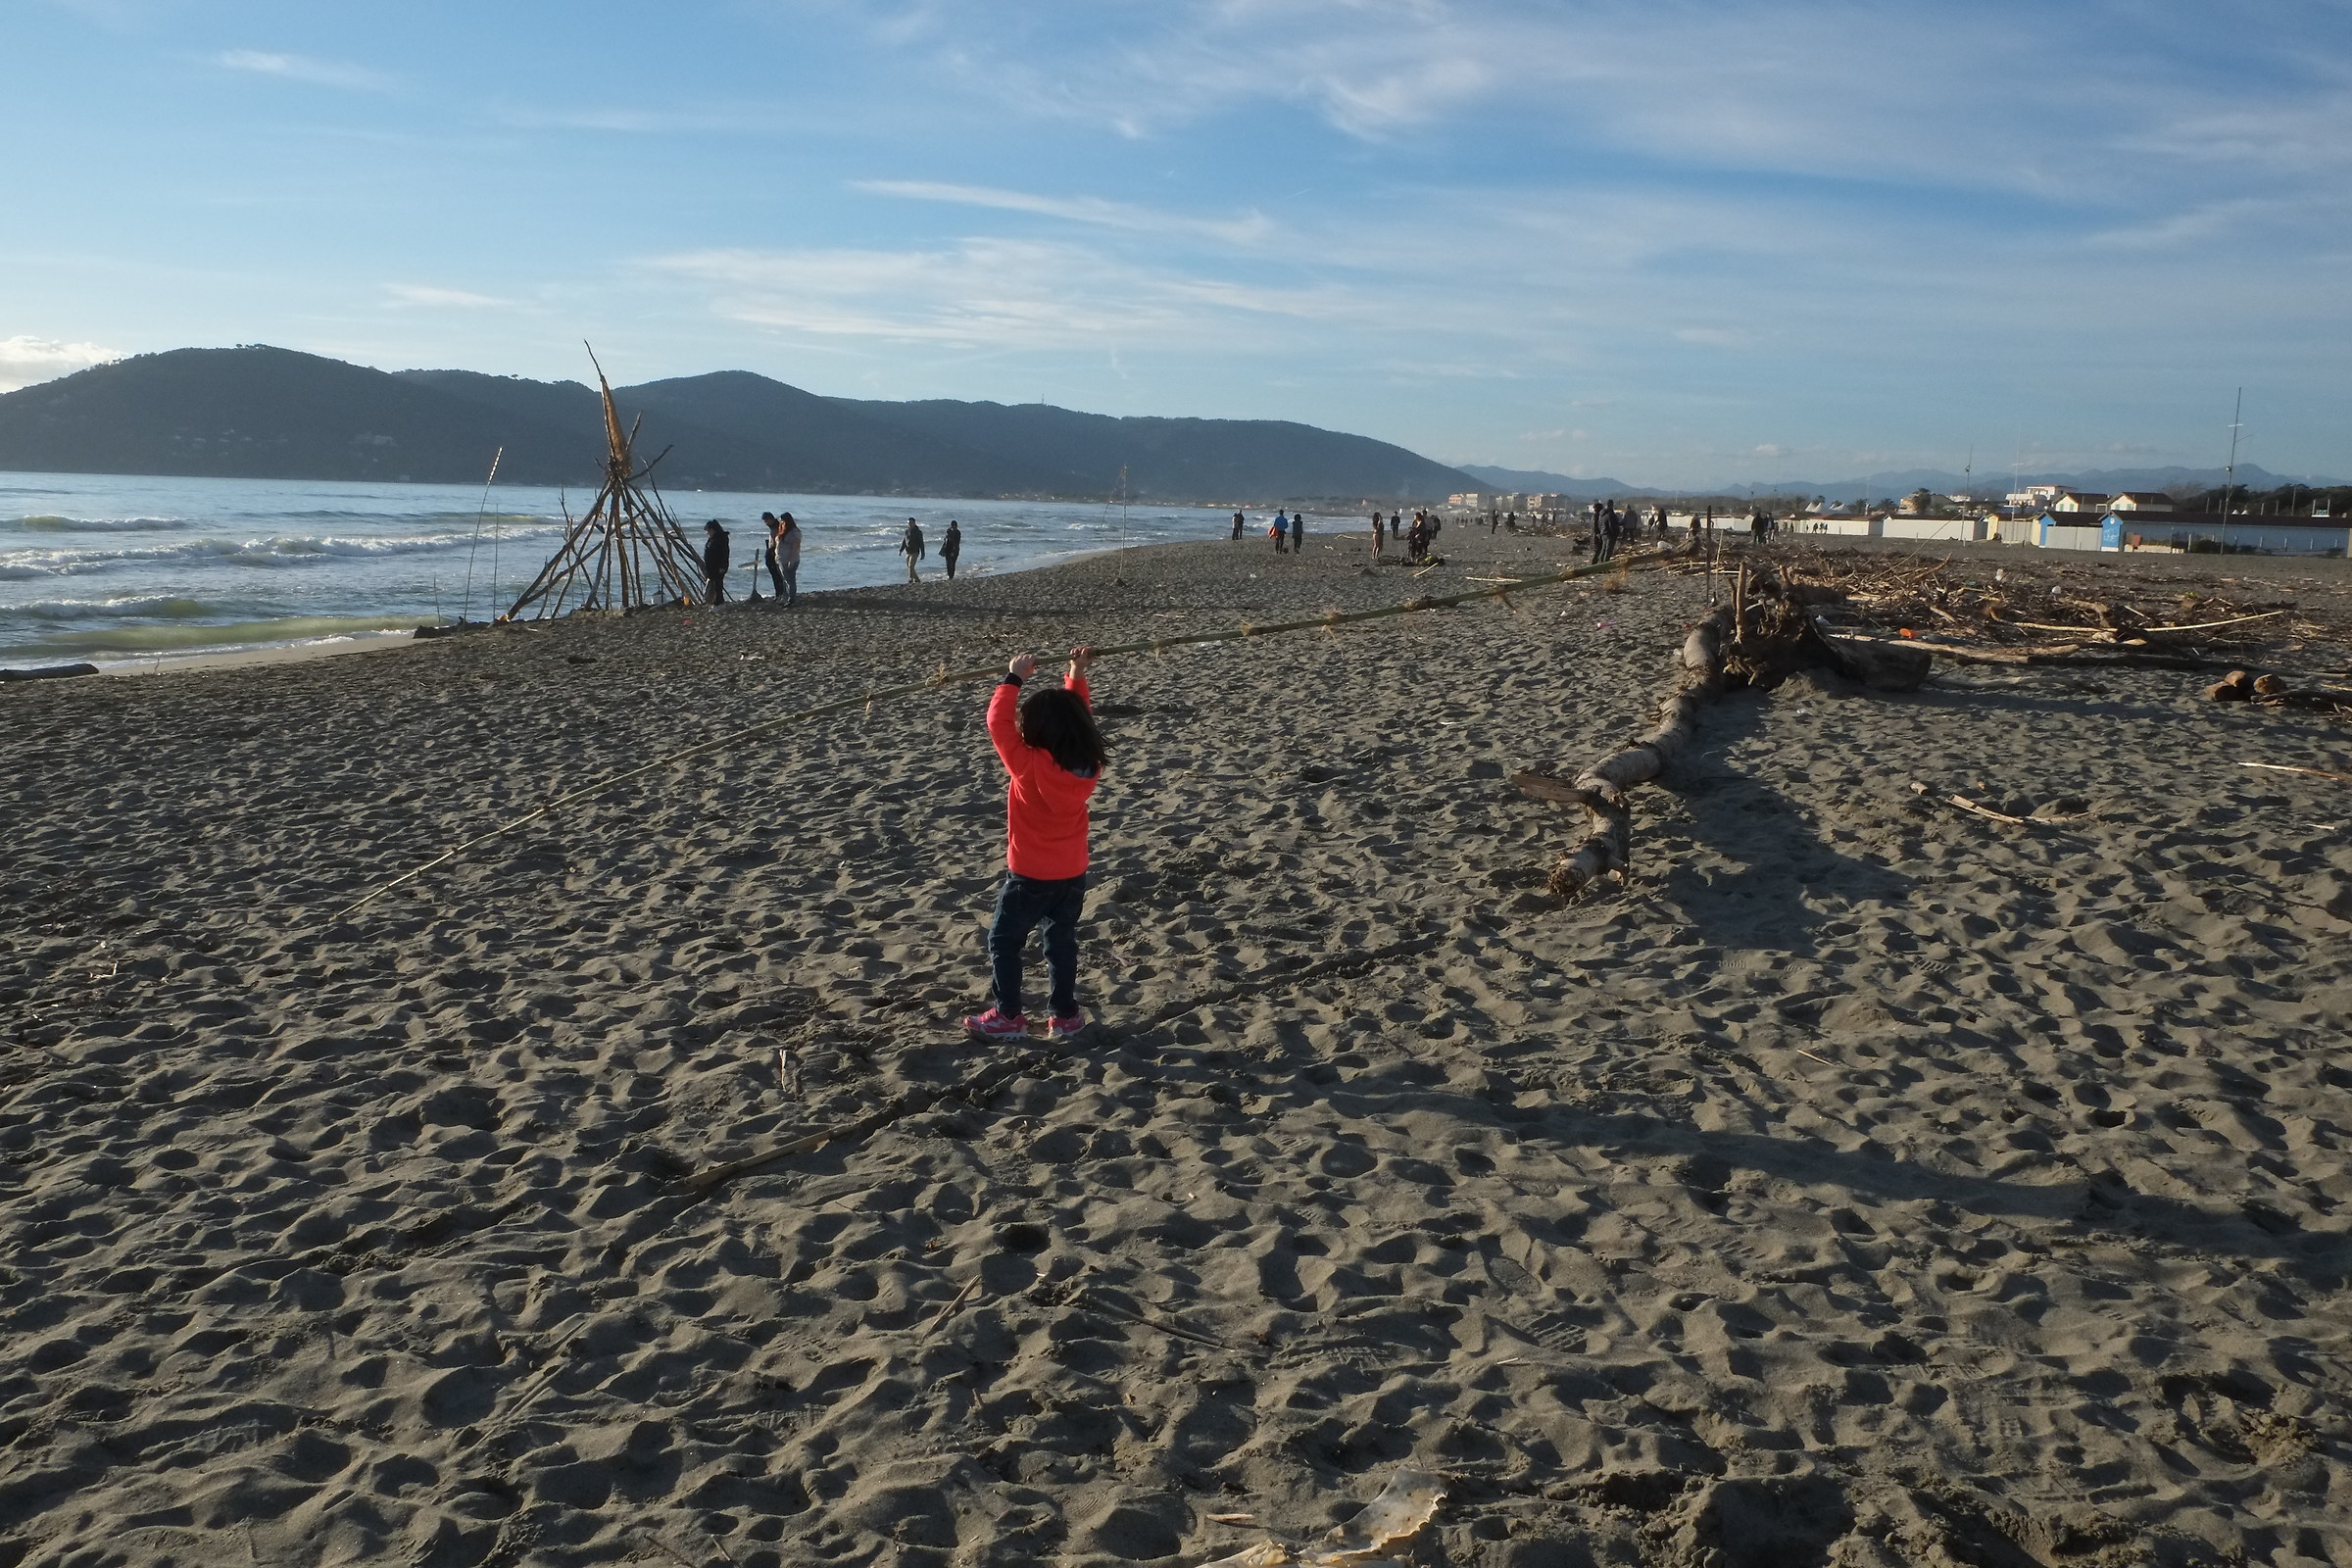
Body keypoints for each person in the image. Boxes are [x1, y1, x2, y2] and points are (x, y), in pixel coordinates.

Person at [965, 645, 1104, 1042]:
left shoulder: (1027, 765)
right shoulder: (1086, 763)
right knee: (1059, 940)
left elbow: (998, 722)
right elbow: (1080, 720)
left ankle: (1008, 1015)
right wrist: (1075, 673)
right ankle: (1065, 1016)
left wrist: (1013, 679)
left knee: (1004, 940)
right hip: (1072, 871)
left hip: (1030, 874)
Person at [775, 512, 802, 607]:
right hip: (781, 558)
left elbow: (795, 547)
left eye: (782, 521)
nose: (781, 522)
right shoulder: (783, 530)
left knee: (790, 580)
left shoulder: (794, 532)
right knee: (785, 579)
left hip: (789, 559)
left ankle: (791, 599)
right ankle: (786, 597)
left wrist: (791, 560)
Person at [702, 519, 729, 604]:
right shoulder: (712, 539)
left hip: (718, 567)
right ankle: (717, 602)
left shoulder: (721, 540)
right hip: (712, 567)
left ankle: (719, 603)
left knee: (718, 586)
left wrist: (722, 566)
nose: (707, 533)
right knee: (715, 585)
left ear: (713, 530)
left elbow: (725, 554)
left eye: (708, 531)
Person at [761, 512, 787, 599]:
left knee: (777, 575)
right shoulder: (773, 527)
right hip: (772, 552)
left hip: (775, 553)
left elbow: (778, 541)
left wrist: (772, 550)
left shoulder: (777, 527)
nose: (766, 523)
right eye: (765, 521)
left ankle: (781, 593)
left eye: (766, 521)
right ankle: (779, 593)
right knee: (775, 575)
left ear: (771, 519)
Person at [900, 516, 925, 581]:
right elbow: (904, 541)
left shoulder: (918, 532)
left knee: (911, 566)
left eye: (911, 523)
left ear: (914, 523)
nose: (910, 524)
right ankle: (917, 579)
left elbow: (921, 543)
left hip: (915, 551)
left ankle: (911, 579)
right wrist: (901, 550)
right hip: (908, 551)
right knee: (909, 567)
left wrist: (923, 553)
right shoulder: (907, 531)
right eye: (908, 523)